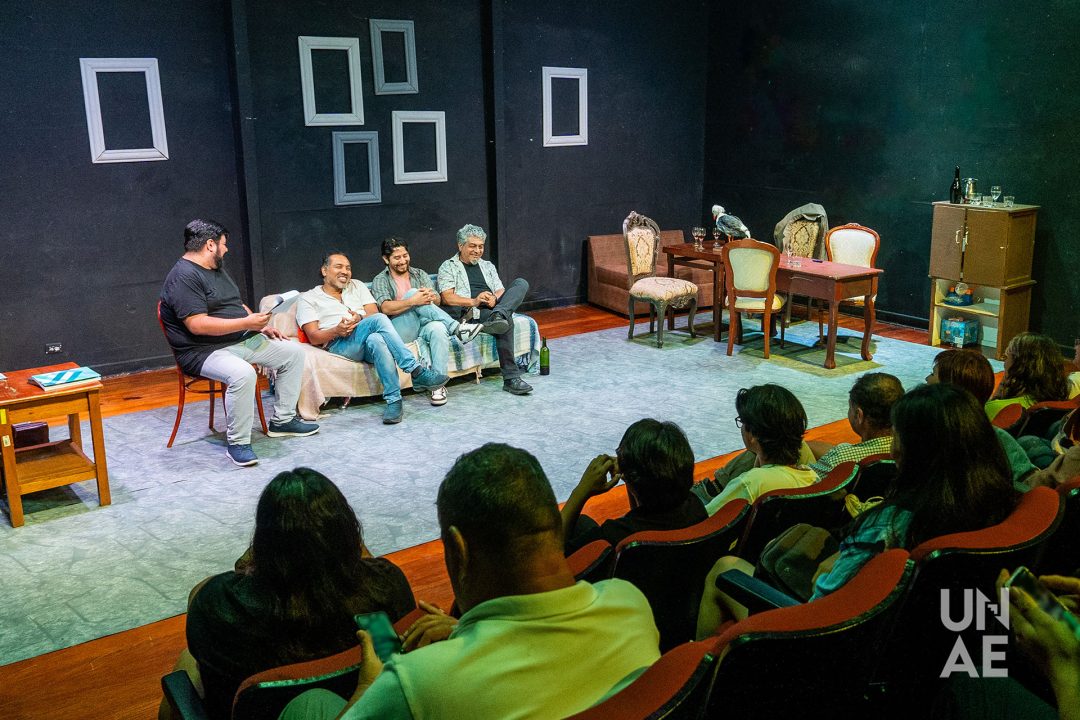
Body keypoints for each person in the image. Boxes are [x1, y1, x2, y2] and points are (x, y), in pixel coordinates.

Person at [280, 443, 661, 720]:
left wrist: (367, 690)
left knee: (309, 705)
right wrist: (466, 632)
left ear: (458, 550)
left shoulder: (418, 682)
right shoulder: (629, 603)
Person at [696, 383, 1020, 636]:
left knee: (724, 569)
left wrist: (835, 567)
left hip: (821, 638)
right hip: (919, 641)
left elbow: (822, 604)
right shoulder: (1000, 505)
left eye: (899, 437)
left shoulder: (889, 526)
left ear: (918, 452)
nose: (893, 448)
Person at [162, 468, 415, 720]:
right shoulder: (389, 586)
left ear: (263, 545)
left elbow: (200, 594)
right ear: (348, 533)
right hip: (357, 705)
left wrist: (253, 565)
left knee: (187, 661)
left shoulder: (217, 605)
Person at [159, 219, 318, 467]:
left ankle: (283, 421)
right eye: (223, 244)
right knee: (243, 374)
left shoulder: (215, 268)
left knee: (293, 353)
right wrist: (246, 323)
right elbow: (197, 324)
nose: (226, 249)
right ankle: (238, 443)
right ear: (210, 245)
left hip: (238, 340)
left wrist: (258, 324)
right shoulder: (184, 277)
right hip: (202, 351)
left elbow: (235, 304)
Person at [296, 252, 449, 424]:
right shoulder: (308, 298)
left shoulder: (357, 286)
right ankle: (415, 370)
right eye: (339, 267)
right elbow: (313, 336)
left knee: (377, 339)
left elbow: (373, 314)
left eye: (348, 268)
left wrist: (360, 318)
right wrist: (337, 330)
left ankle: (394, 401)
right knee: (378, 321)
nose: (345, 271)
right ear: (324, 271)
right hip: (340, 342)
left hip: (367, 336)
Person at [561, 419, 708, 554]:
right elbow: (642, 512)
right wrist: (629, 473)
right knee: (581, 523)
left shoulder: (614, 535)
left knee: (579, 523)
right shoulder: (695, 506)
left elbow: (553, 557)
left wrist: (581, 491)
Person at [370, 237, 485, 406]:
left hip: (425, 324)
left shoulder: (419, 273)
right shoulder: (381, 279)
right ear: (386, 259)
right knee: (413, 294)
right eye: (397, 257)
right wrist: (413, 301)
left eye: (405, 255)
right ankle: (456, 328)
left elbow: (437, 300)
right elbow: (385, 308)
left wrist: (432, 296)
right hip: (399, 329)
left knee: (438, 328)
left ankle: (437, 385)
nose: (403, 261)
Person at [437, 224, 533, 396]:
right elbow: (446, 297)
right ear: (460, 245)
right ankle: (511, 379)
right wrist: (474, 301)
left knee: (521, 283)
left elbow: (500, 289)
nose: (477, 251)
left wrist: (494, 298)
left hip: (492, 307)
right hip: (471, 312)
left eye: (481, 246)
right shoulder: (448, 266)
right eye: (472, 246)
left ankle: (499, 314)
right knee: (506, 322)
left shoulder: (487, 265)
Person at [927, 348, 1039, 487]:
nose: (927, 379)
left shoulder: (931, 436)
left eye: (933, 375)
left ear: (950, 392)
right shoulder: (1000, 437)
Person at [703, 385, 818, 514]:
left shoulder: (750, 483)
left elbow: (704, 519)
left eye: (742, 422)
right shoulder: (811, 476)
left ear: (753, 435)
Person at [806, 373, 904, 478]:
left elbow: (805, 479)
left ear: (859, 415)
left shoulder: (841, 459)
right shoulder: (910, 448)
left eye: (850, 407)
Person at [985, 332, 1071, 421]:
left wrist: (1002, 386)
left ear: (1018, 366)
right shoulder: (1058, 404)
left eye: (1006, 357)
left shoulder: (996, 409)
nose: (1004, 363)